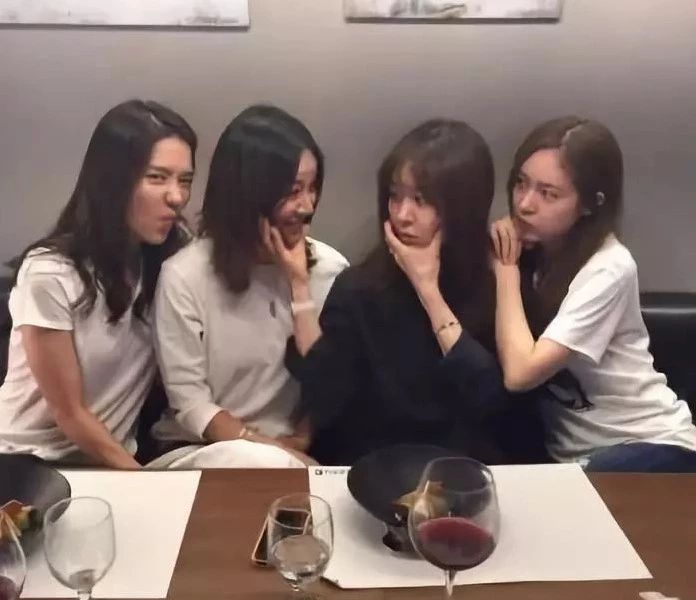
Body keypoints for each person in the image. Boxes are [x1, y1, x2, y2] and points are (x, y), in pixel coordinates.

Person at [284, 119, 546, 465]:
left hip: (467, 471)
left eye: (421, 200)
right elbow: (325, 399)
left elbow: (497, 408)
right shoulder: (361, 288)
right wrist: (300, 287)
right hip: (374, 469)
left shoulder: (499, 281)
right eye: (395, 196)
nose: (402, 215)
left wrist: (429, 294)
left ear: (462, 207)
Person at [490, 116, 696, 472]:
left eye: (548, 193)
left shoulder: (610, 267)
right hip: (578, 461)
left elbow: (520, 373)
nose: (524, 204)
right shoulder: (536, 256)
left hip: (654, 447)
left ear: (590, 204)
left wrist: (505, 269)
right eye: (521, 184)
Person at [0, 99, 196, 469]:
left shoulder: (172, 258)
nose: (177, 197)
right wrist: (144, 484)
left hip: (114, 462)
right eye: (157, 178)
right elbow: (69, 412)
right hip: (28, 463)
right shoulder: (51, 273)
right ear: (113, 183)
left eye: (184, 180)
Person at [153, 104, 347, 466]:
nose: (307, 206)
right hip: (202, 449)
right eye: (293, 190)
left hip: (298, 452)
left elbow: (335, 386)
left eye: (312, 188)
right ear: (247, 194)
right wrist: (268, 449)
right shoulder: (185, 276)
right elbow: (190, 404)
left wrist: (299, 286)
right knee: (261, 463)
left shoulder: (331, 271)